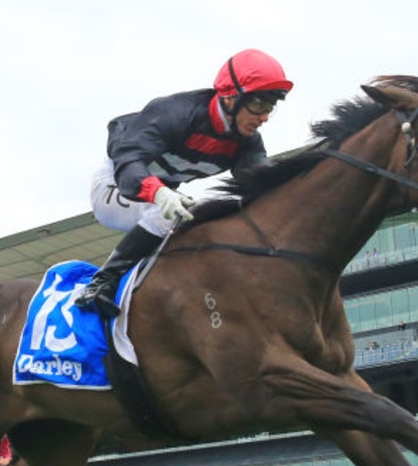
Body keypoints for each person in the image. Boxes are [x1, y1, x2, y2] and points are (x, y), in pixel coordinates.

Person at [77, 49, 294, 317]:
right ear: (230, 96)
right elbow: (129, 163)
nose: (264, 118)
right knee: (168, 213)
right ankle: (102, 283)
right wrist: (157, 192)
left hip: (159, 192)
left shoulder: (247, 142)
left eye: (270, 108)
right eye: (260, 105)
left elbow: (265, 188)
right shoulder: (175, 113)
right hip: (116, 184)